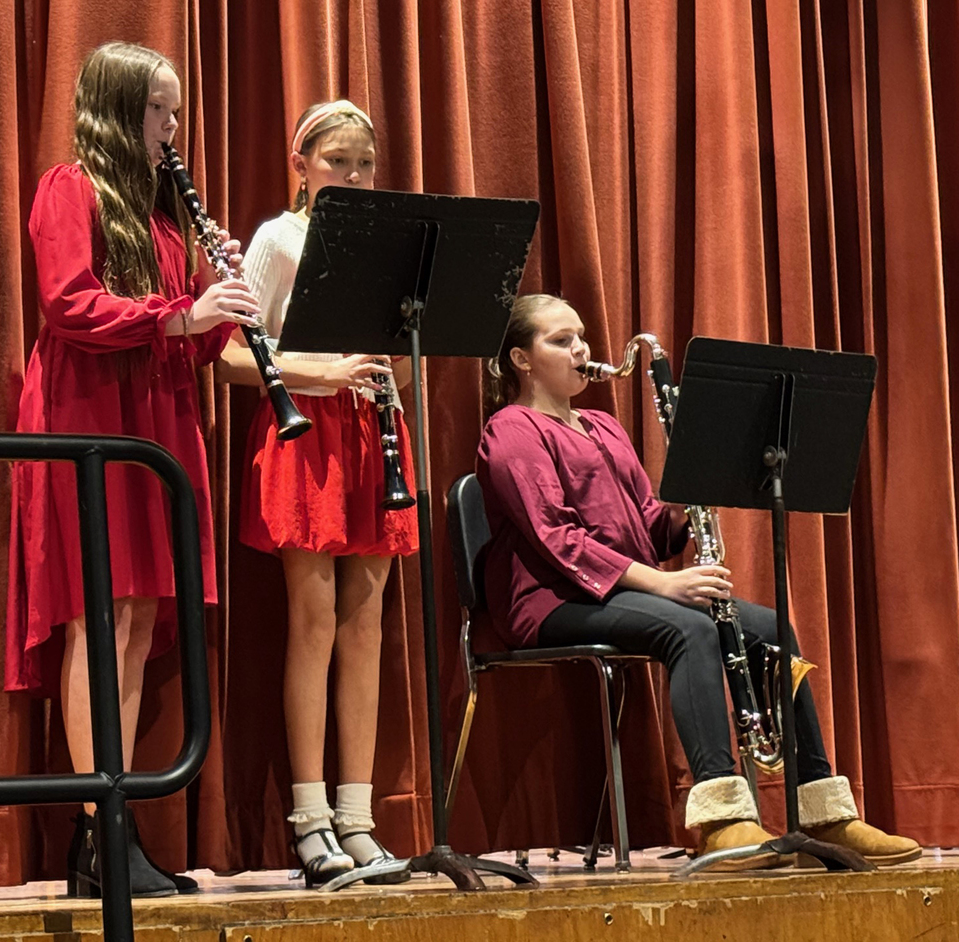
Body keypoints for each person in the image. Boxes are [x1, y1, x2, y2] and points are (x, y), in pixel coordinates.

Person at [475, 293, 921, 869]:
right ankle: (721, 819)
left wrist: (694, 508)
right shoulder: (511, 429)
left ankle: (823, 810)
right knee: (690, 629)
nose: (582, 350)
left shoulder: (603, 427)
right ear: (521, 360)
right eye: (560, 341)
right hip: (546, 600)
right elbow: (557, 540)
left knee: (770, 625)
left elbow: (649, 526)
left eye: (581, 336)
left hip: (624, 590)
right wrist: (664, 586)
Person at [6, 41, 261, 897]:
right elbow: (70, 303)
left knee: (138, 620)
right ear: (121, 110)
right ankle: (97, 828)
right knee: (98, 619)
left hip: (153, 414)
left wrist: (225, 298)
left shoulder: (160, 217)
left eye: (178, 111)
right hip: (89, 414)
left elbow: (195, 341)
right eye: (162, 110)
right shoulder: (69, 188)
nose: (175, 128)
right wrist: (180, 315)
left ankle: (107, 836)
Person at [217, 100, 419, 887]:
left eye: (364, 164)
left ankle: (360, 819)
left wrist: (389, 366)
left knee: (365, 627)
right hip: (306, 431)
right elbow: (234, 357)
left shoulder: (384, 244)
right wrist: (327, 372)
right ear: (301, 167)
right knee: (315, 622)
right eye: (338, 162)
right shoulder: (278, 237)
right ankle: (311, 823)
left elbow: (398, 353)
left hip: (374, 432)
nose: (354, 177)